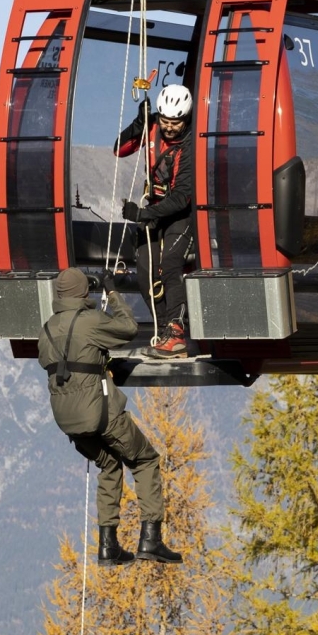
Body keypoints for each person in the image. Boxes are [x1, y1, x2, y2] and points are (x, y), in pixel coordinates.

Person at [38, 267, 183, 566]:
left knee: (109, 465)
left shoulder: (48, 329)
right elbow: (128, 328)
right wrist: (112, 290)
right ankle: (151, 539)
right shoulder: (89, 321)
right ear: (82, 292)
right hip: (100, 414)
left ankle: (109, 547)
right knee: (144, 459)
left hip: (68, 422)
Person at [115, 83, 196, 359]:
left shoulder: (190, 145)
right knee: (145, 273)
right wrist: (139, 122)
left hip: (180, 215)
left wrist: (142, 214)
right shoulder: (152, 126)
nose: (170, 127)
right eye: (165, 121)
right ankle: (164, 332)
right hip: (155, 210)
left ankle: (176, 333)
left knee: (170, 267)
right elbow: (120, 149)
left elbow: (183, 198)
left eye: (176, 122)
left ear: (185, 120)